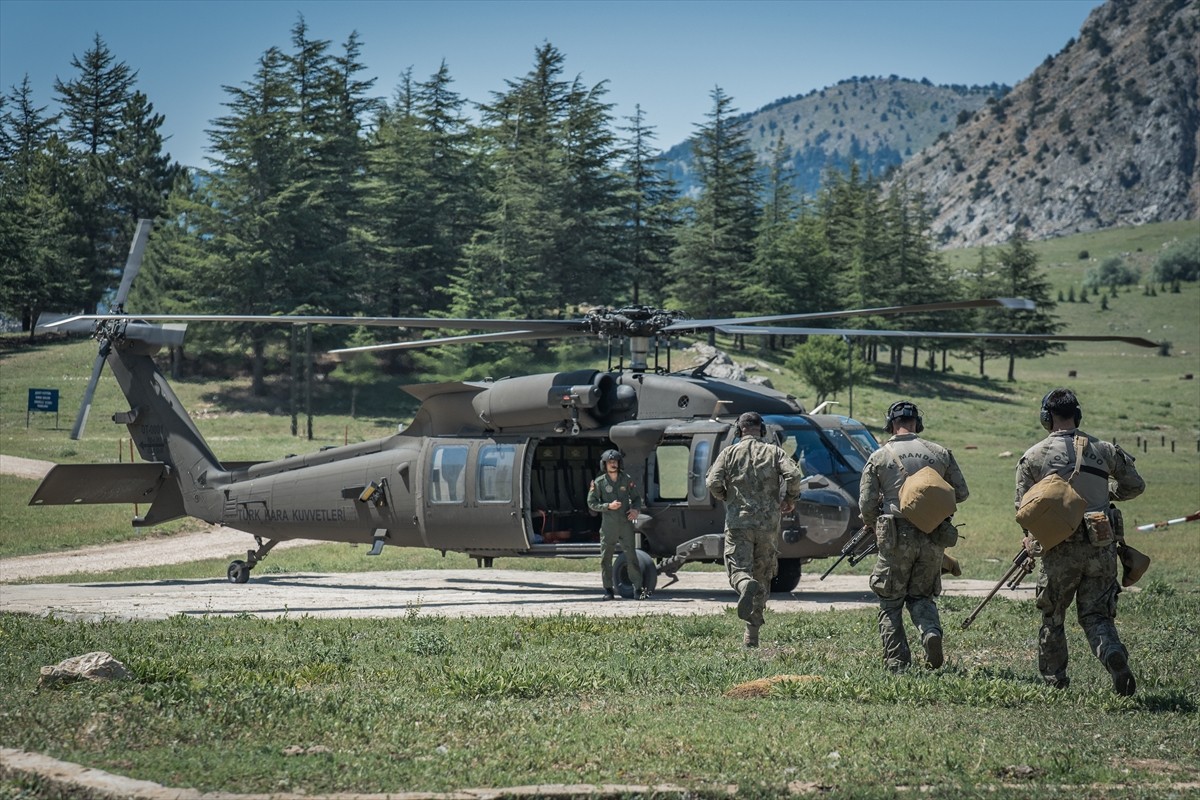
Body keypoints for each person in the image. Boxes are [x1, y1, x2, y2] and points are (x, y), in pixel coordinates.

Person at [1016, 388, 1145, 695]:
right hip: (1101, 544)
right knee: (1097, 615)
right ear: (1078, 414)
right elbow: (1135, 485)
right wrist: (1106, 495)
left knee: (1053, 616)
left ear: (1046, 418)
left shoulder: (1033, 456)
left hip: (1058, 547)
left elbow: (1023, 509)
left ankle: (1055, 682)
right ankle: (1112, 653)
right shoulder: (1104, 449)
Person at [859, 400, 969, 672]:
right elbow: (961, 492)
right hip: (933, 533)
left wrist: (876, 527)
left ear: (890, 424)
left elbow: (866, 503)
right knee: (921, 596)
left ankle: (897, 663)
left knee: (891, 602)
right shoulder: (939, 452)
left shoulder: (880, 456)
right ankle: (930, 632)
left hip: (895, 534)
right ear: (917, 423)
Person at [705, 411, 804, 647]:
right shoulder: (774, 452)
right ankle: (752, 636)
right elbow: (794, 474)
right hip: (768, 524)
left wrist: (726, 496)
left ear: (739, 431)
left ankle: (742, 584)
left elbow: (712, 482)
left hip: (739, 521)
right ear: (762, 430)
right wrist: (790, 499)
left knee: (738, 570)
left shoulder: (729, 453)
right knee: (762, 576)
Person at [587, 448, 647, 600]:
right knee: (606, 558)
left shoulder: (626, 479)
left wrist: (635, 510)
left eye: (615, 462)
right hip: (609, 525)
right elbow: (591, 503)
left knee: (631, 556)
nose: (613, 464)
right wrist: (607, 506)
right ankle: (608, 589)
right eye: (610, 462)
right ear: (604, 464)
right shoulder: (599, 483)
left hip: (625, 524)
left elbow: (636, 498)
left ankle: (638, 589)